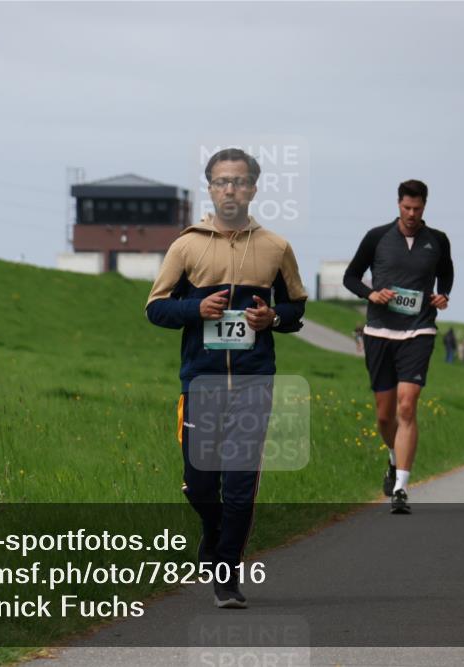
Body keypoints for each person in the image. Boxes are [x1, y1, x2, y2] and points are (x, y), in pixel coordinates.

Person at [145, 148, 307, 609]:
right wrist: (195, 309)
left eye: (238, 181)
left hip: (255, 383)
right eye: (221, 181)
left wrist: (273, 318)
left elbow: (296, 308)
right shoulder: (187, 245)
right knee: (199, 485)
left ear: (253, 189)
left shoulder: (275, 247)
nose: (230, 189)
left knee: (239, 486)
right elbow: (155, 308)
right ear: (210, 188)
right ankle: (212, 535)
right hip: (202, 382)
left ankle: (227, 575)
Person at [343, 179, 454, 514]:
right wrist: (371, 294)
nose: (411, 214)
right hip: (379, 332)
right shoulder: (377, 237)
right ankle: (393, 461)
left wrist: (442, 295)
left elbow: (446, 274)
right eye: (406, 208)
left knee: (407, 407)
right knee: (384, 414)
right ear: (398, 204)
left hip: (419, 331)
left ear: (425, 207)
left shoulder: (437, 240)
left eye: (417, 209)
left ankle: (402, 488)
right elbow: (351, 276)